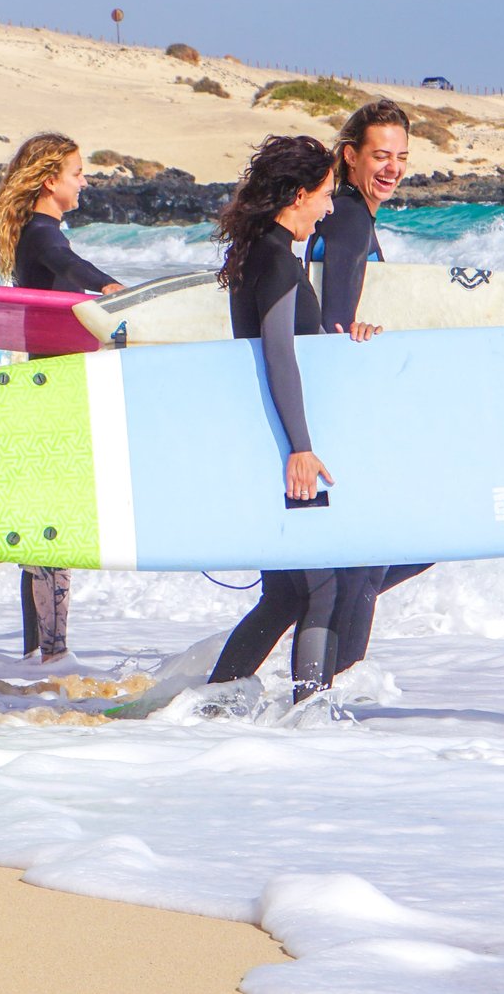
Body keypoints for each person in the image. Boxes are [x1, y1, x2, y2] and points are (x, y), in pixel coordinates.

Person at [203, 134, 351, 701]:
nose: (330, 207)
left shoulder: (258, 252)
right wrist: (301, 448)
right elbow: (279, 353)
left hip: (267, 433)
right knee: (319, 589)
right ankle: (310, 711)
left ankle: (214, 702)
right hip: (283, 440)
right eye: (325, 194)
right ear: (297, 194)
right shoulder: (280, 263)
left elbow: (295, 346)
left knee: (286, 594)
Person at [0, 133, 122, 664]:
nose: (84, 181)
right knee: (51, 527)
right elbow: (66, 262)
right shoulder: (42, 235)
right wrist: (113, 290)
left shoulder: (38, 234)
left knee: (42, 527)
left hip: (46, 391)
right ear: (49, 179)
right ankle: (51, 657)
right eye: (77, 172)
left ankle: (39, 654)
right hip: (50, 395)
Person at [306, 100, 431, 680]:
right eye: (380, 155)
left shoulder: (338, 211)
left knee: (338, 575)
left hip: (326, 401)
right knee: (367, 564)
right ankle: (329, 695)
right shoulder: (352, 217)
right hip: (344, 405)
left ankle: (311, 694)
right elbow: (335, 317)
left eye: (401, 157)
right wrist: (349, 329)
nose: (392, 168)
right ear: (351, 156)